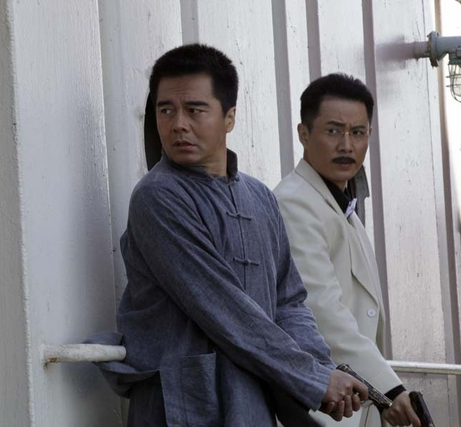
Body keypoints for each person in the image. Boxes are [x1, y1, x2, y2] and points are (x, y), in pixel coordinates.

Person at [92, 45, 369, 426]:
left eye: (194, 110)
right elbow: (222, 307)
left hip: (252, 405)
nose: (178, 124)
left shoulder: (260, 197)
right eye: (165, 110)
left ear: (230, 117)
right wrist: (315, 379)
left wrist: (322, 368)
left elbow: (289, 302)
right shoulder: (158, 196)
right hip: (182, 409)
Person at [274, 73, 422, 427]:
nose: (346, 145)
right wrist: (389, 389)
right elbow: (320, 311)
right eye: (333, 130)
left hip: (350, 404)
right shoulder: (294, 202)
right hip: (317, 409)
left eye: (358, 132)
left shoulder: (340, 205)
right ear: (303, 134)